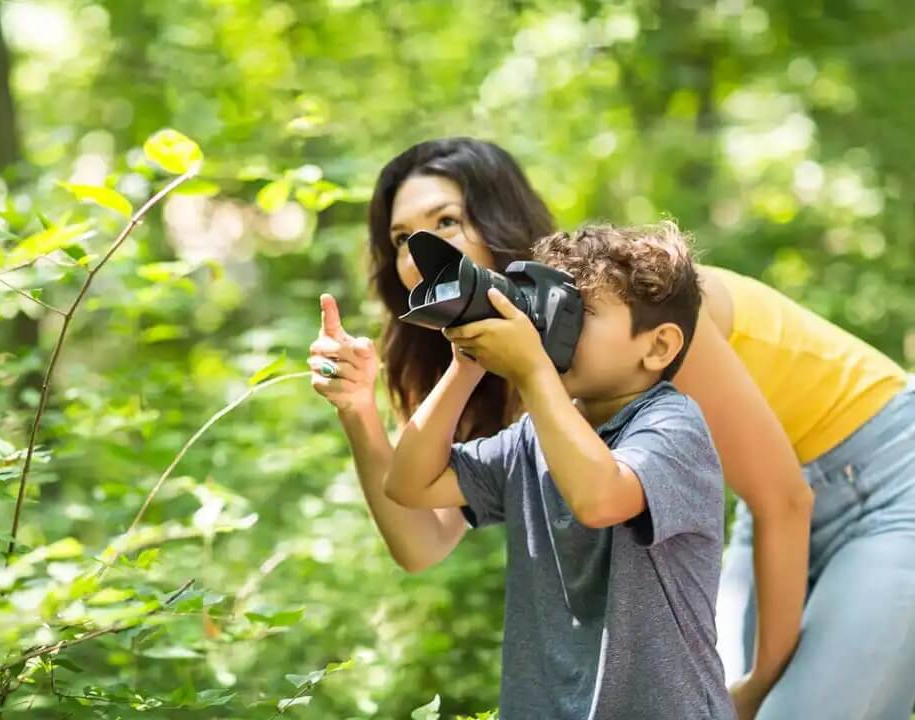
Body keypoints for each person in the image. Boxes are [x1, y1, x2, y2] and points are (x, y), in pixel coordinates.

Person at [308, 137, 915, 719]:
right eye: (402, 239)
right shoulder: (509, 366)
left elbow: (784, 498)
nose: (422, 253)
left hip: (890, 474)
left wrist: (757, 687)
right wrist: (359, 411)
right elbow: (421, 542)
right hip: (778, 502)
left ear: (498, 221)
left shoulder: (632, 316)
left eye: (446, 222)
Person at [383, 222, 734, 718]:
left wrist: (532, 371)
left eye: (580, 313)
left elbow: (599, 499)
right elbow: (409, 484)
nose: (549, 326)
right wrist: (467, 364)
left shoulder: (674, 427)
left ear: (657, 347)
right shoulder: (536, 435)